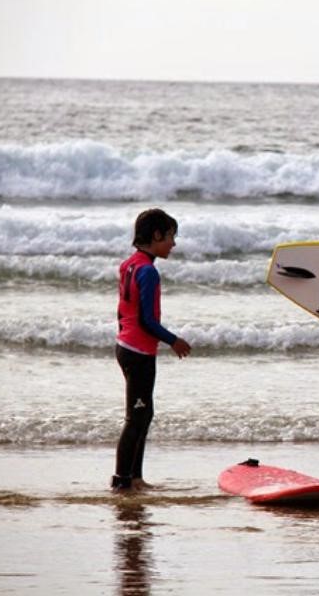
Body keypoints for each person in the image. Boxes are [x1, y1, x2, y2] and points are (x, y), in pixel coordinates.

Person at [112, 209, 191, 492]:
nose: (173, 243)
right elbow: (147, 320)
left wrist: (124, 336)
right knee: (137, 418)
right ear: (156, 235)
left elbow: (123, 310)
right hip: (138, 352)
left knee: (143, 415)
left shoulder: (130, 264)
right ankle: (122, 481)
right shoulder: (148, 271)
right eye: (170, 236)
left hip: (127, 347)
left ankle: (134, 478)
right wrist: (174, 340)